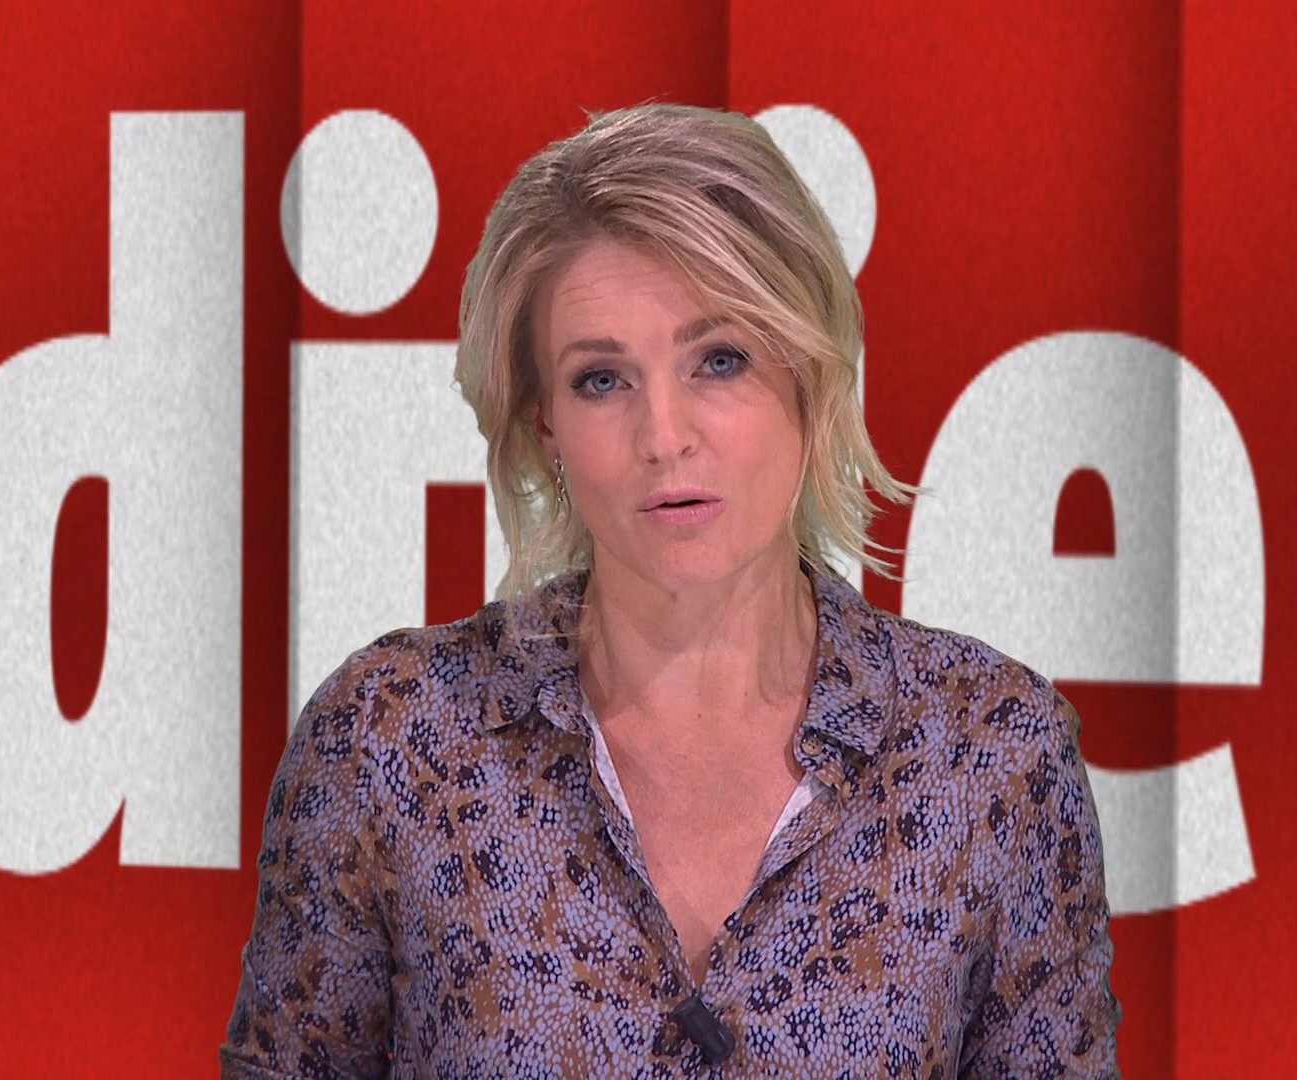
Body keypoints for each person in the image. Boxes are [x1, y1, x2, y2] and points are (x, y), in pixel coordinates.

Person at [220, 101, 1121, 1078]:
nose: (663, 435)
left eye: (718, 361)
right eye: (601, 379)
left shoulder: (990, 756)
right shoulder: (392, 739)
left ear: (811, 377)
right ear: (544, 428)